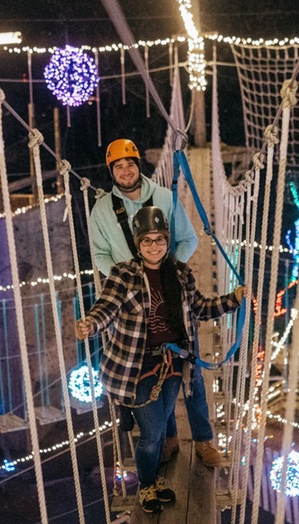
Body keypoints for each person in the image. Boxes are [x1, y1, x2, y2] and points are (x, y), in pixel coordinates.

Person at [76, 207, 247, 513]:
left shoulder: (180, 273)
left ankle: (154, 478)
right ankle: (146, 485)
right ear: (138, 245)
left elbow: (200, 308)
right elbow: (106, 307)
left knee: (159, 426)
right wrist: (90, 324)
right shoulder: (124, 275)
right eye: (147, 241)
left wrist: (232, 300)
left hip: (173, 364)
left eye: (159, 240)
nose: (154, 246)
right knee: (153, 436)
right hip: (137, 368)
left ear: (167, 241)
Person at [89, 138, 225, 469]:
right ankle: (168, 437)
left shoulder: (164, 198)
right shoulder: (102, 209)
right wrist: (130, 280)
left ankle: (204, 440)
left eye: (130, 164)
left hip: (171, 296)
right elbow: (100, 255)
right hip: (133, 305)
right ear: (111, 172)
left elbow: (189, 238)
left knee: (189, 371)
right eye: (118, 167)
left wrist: (164, 270)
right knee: (151, 373)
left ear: (140, 166)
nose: (125, 171)